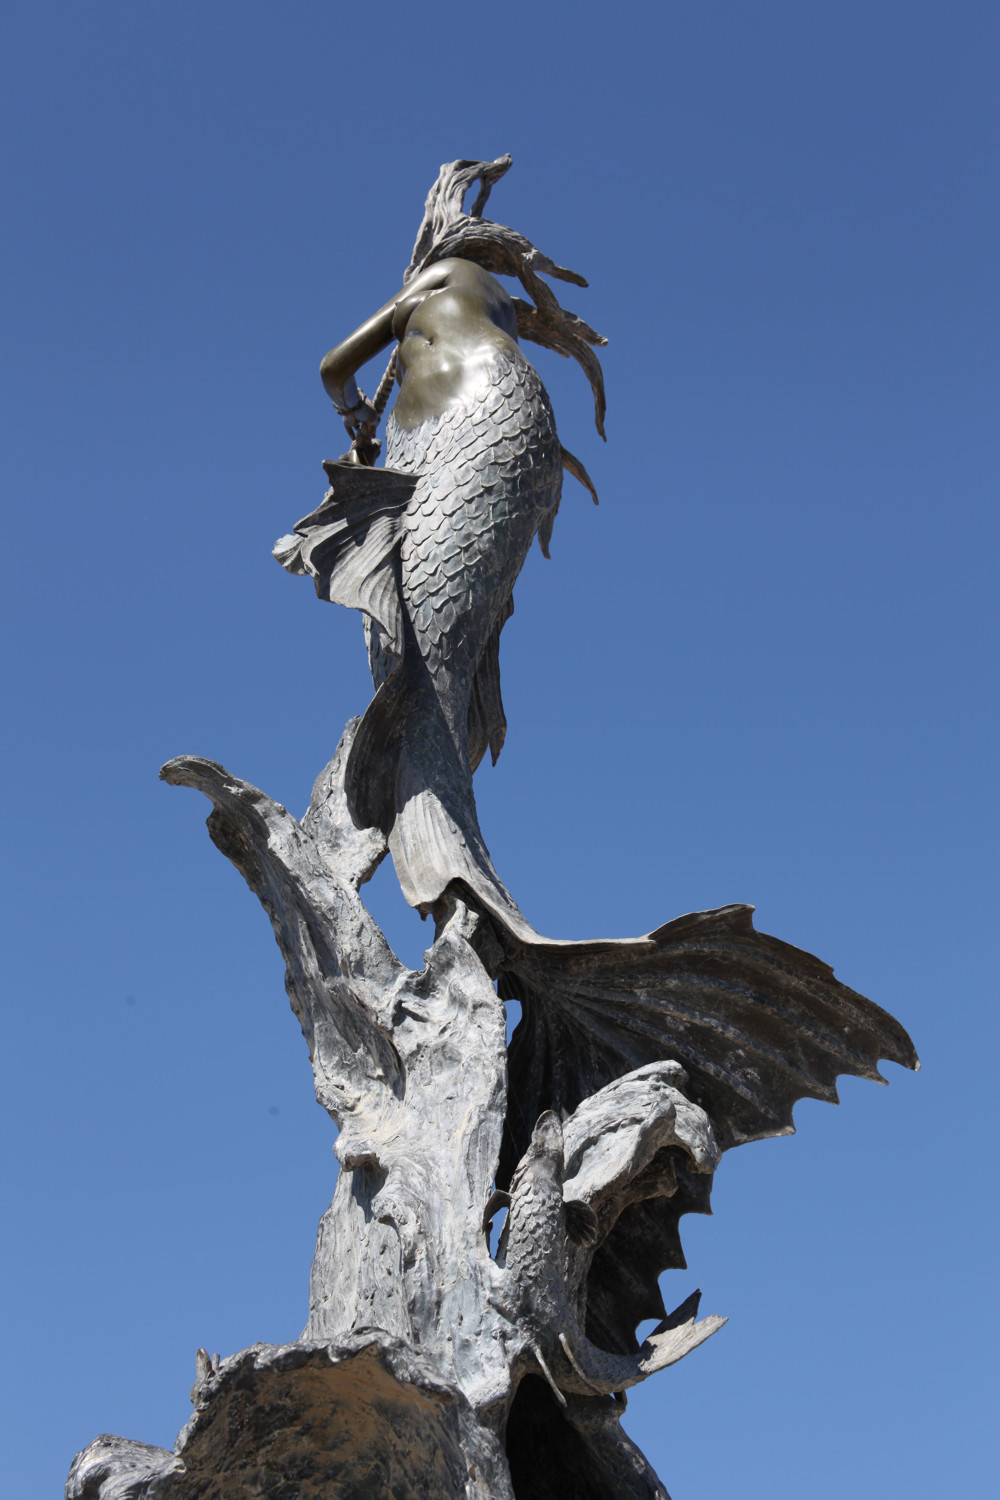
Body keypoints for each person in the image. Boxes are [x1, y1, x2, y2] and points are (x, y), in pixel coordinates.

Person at [276, 158, 605, 940]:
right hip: (514, 430)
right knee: (434, 659)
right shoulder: (496, 303)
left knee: (420, 665)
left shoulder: (430, 280)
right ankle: (452, 867)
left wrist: (355, 413)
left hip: (463, 435)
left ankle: (456, 883)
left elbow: (331, 367)